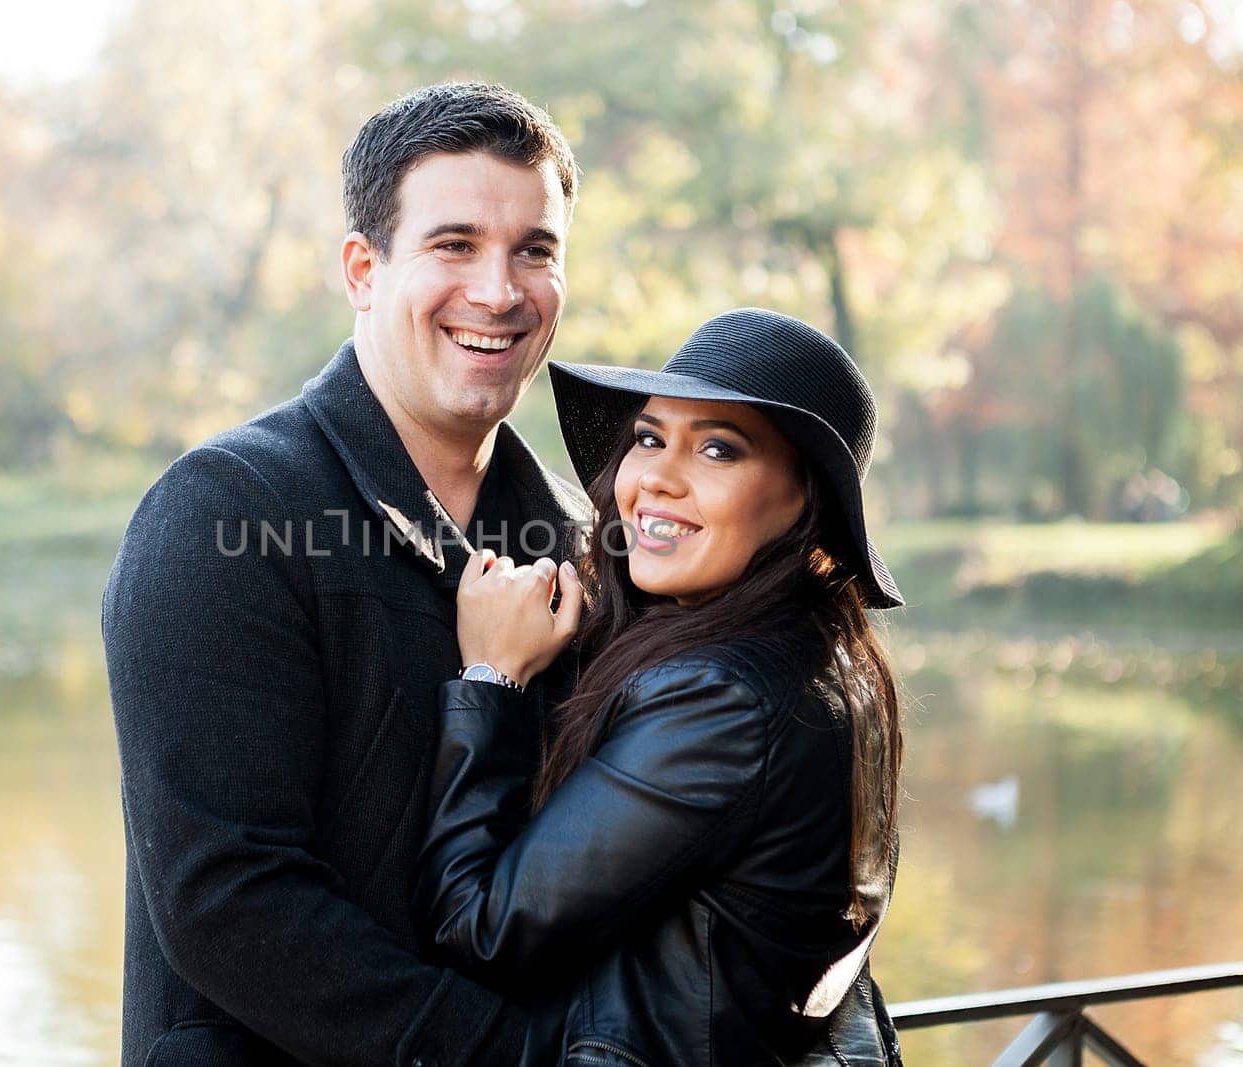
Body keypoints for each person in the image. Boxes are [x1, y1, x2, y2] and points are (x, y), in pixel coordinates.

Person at [103, 83, 590, 1066]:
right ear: (364, 269)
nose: (498, 290)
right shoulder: (226, 511)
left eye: (533, 249)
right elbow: (230, 898)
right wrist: (522, 1056)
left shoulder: (578, 544)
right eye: (453, 245)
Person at [414, 308, 907, 1065]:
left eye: (718, 448)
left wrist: (491, 675)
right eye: (649, 437)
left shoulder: (722, 698)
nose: (655, 480)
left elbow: (482, 928)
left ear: (804, 502)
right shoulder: (827, 657)